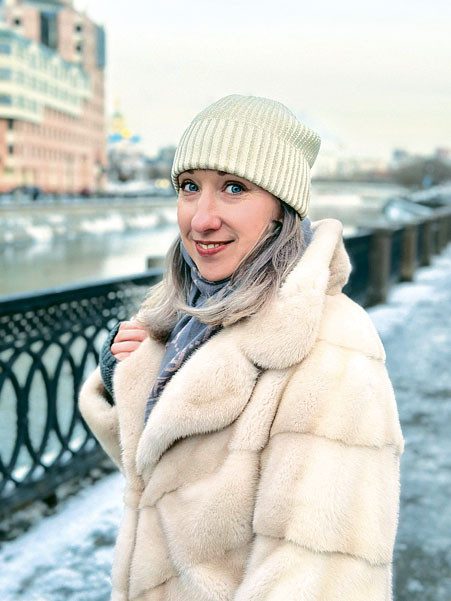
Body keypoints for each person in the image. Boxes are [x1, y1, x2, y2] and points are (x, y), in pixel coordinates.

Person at [79, 94, 404, 601]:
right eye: (190, 187)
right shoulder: (189, 314)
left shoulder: (332, 348)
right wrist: (125, 373)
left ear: (282, 209)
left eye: (234, 188)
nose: (201, 219)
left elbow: (317, 579)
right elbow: (167, 482)